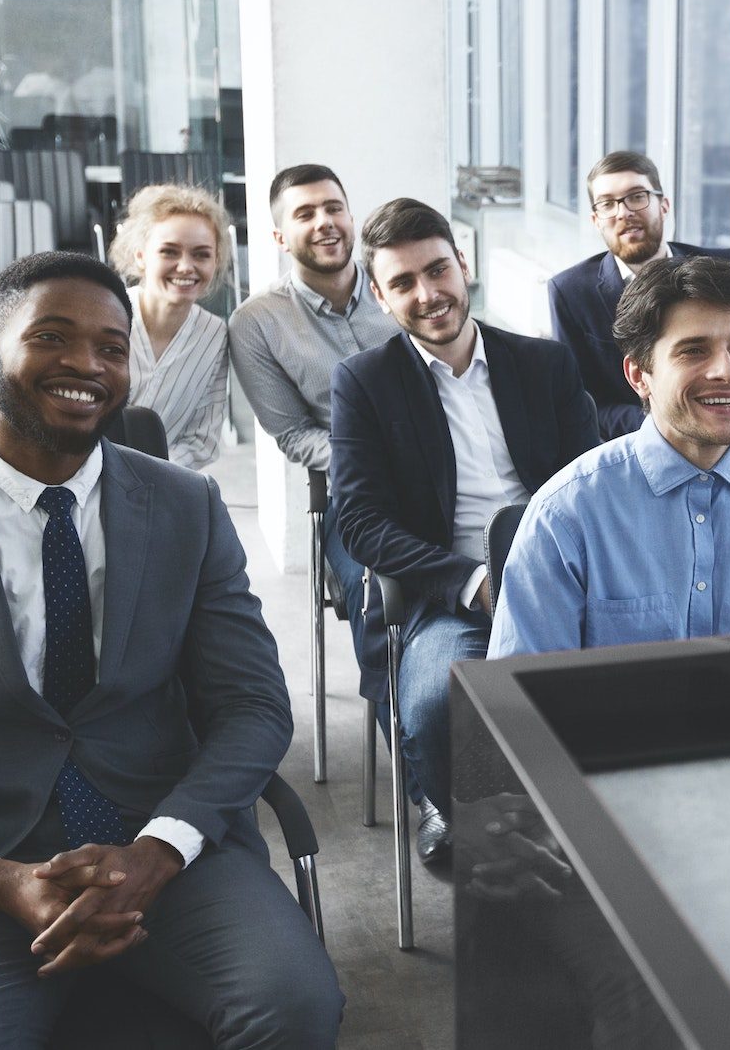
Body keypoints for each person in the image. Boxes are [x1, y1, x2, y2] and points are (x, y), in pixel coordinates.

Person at [0, 251, 342, 1046]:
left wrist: (159, 848)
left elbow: (253, 705)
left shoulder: (186, 505)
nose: (85, 363)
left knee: (292, 1005)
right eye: (52, 336)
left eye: (112, 347)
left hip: (169, 858)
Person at [331, 198, 597, 862]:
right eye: (403, 283)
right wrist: (471, 581)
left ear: (464, 264)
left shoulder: (545, 364)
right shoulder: (365, 384)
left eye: (437, 269)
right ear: (379, 296)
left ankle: (584, 829)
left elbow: (594, 487)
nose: (428, 294)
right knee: (432, 705)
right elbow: (360, 521)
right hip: (451, 597)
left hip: (565, 581)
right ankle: (472, 823)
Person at [489, 255, 730, 658]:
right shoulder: (565, 514)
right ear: (638, 376)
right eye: (694, 351)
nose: (727, 371)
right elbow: (523, 697)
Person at [229, 163, 400, 690]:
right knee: (380, 607)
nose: (325, 222)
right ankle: (410, 753)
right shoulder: (257, 322)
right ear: (280, 237)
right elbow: (294, 435)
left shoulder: (400, 284)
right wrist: (382, 465)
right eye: (306, 214)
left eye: (334, 208)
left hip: (455, 472)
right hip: (356, 494)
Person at [548, 150, 730, 440]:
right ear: (596, 220)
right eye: (608, 204)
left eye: (637, 196)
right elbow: (582, 401)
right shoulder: (570, 291)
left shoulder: (728, 265)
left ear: (664, 205)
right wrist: (671, 421)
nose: (624, 212)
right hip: (635, 441)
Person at [108, 183, 233, 470]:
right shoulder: (104, 318)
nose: (186, 266)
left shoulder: (214, 335)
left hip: (158, 485)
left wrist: (151, 470)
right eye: (169, 252)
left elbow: (203, 441)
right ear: (140, 255)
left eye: (201, 254)